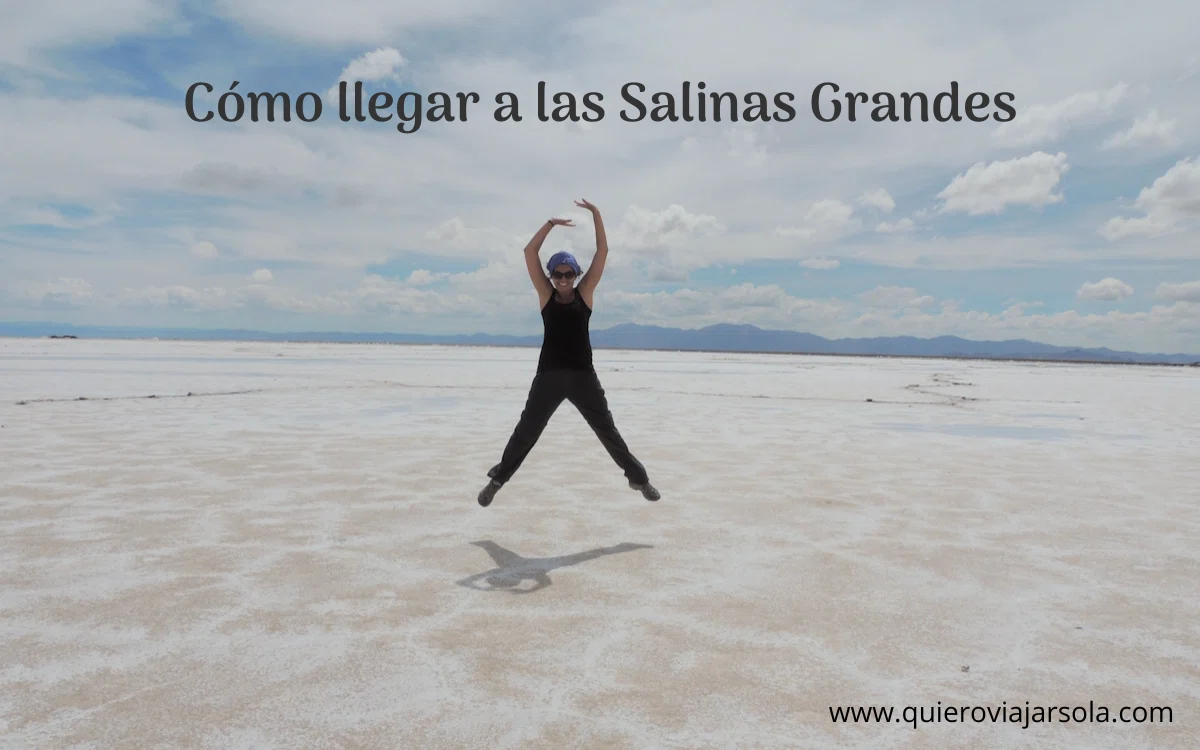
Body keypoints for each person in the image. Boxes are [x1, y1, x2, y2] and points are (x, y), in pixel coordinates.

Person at [478, 199, 660, 507]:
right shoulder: (545, 296)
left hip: (582, 378)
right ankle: (498, 480)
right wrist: (550, 224)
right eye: (557, 275)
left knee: (607, 432)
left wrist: (597, 214)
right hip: (548, 377)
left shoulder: (584, 294)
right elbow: (528, 253)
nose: (563, 280)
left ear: (576, 274)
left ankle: (639, 479)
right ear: (550, 277)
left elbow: (602, 253)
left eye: (568, 274)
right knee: (526, 431)